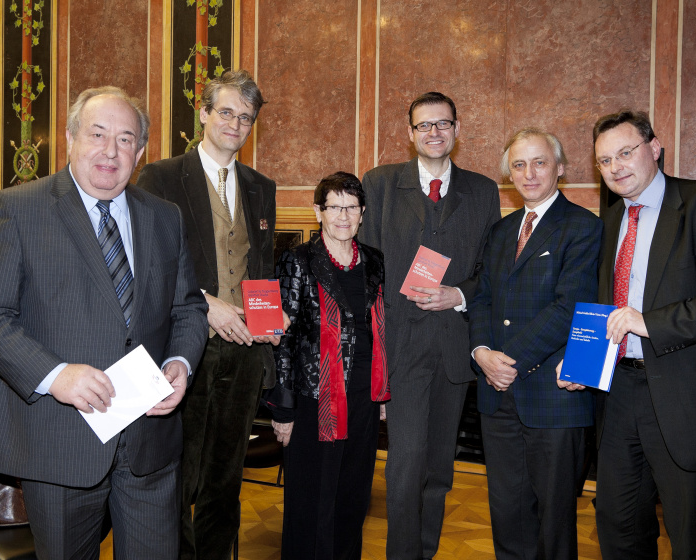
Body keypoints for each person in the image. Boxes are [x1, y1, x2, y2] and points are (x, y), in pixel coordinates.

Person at [0, 86, 208, 559]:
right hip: (60, 442)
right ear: (70, 138)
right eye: (97, 134)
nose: (110, 150)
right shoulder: (17, 209)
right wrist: (55, 375)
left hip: (149, 444)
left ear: (140, 152)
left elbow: (187, 309)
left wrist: (180, 363)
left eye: (125, 139)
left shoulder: (165, 217)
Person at [558, 110, 696, 559]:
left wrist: (649, 321)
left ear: (654, 148)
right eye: (604, 160)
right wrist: (581, 359)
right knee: (618, 528)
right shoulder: (609, 219)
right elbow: (604, 304)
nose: (615, 167)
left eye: (625, 152)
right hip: (619, 397)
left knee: (691, 539)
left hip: (689, 398)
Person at [136, 69, 283, 559]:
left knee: (225, 479)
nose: (235, 124)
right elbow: (148, 264)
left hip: (245, 352)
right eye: (226, 112)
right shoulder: (161, 177)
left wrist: (271, 319)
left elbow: (261, 268)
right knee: (178, 477)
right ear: (203, 114)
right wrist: (204, 301)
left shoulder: (261, 187)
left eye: (246, 117)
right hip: (183, 348)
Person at [358, 91, 501, 559]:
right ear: (410, 133)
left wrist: (457, 294)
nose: (434, 132)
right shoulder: (380, 184)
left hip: (454, 347)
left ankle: (426, 551)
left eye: (443, 123)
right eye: (424, 125)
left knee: (440, 467)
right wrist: (371, 355)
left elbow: (490, 270)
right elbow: (366, 271)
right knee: (405, 464)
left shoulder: (482, 191)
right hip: (399, 348)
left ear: (457, 130)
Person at [469, 128, 601, 559]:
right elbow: (482, 298)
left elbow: (569, 307)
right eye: (519, 165)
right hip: (497, 395)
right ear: (509, 174)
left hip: (554, 397)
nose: (529, 173)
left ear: (559, 168)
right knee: (507, 513)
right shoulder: (501, 231)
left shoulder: (584, 226)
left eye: (539, 162)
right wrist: (481, 353)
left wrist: (506, 361)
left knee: (554, 521)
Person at [264, 172, 389, 560]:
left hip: (363, 399)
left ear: (362, 213)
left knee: (353, 496)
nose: (343, 216)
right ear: (318, 211)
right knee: (311, 502)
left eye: (351, 207)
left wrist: (383, 393)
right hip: (313, 400)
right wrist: (283, 409)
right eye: (334, 207)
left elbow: (379, 330)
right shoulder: (298, 260)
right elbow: (282, 338)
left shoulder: (374, 261)